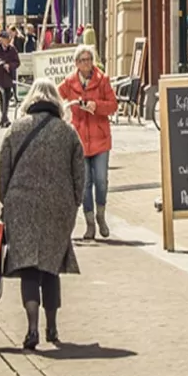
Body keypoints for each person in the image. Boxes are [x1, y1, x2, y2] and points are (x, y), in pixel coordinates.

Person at [0, 78, 85, 349]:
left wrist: (6, 199)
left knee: (29, 269)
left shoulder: (15, 129)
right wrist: (75, 202)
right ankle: (53, 328)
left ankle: (32, 328)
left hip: (21, 204)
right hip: (58, 206)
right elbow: (79, 173)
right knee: (50, 267)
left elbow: (4, 169)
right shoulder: (67, 132)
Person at [59, 46, 117, 240]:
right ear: (76, 63)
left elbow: (113, 105)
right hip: (79, 140)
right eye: (82, 60)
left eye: (89, 59)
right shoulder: (69, 82)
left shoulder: (102, 80)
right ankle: (90, 223)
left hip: (100, 139)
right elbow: (56, 97)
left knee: (101, 181)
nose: (86, 63)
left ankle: (101, 216)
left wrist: (97, 106)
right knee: (84, 184)